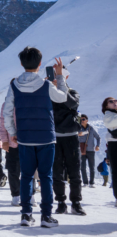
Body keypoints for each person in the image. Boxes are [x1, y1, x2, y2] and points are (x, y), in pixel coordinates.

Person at [3, 47, 68, 228]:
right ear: (40, 64)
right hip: (46, 137)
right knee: (45, 176)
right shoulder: (47, 85)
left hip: (24, 138)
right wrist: (60, 78)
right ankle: (46, 216)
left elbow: (8, 112)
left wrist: (13, 132)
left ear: (22, 64)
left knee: (26, 176)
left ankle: (26, 214)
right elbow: (63, 98)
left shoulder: (14, 85)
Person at [51, 75, 85, 215]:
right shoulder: (48, 93)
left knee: (75, 172)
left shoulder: (72, 92)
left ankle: (76, 203)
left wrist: (60, 86)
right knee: (57, 172)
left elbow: (73, 104)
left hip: (71, 137)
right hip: (54, 137)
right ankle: (61, 202)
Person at [0, 99, 22, 206]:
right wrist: (4, 141)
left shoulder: (27, 100)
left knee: (28, 171)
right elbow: (2, 124)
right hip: (12, 144)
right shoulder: (6, 105)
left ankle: (29, 195)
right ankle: (16, 195)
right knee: (13, 171)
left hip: (27, 143)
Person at [78, 114, 101, 187]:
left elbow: (98, 137)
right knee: (83, 167)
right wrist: (78, 135)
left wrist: (97, 146)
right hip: (82, 151)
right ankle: (85, 182)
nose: (82, 121)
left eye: (83, 119)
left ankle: (92, 182)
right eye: (81, 119)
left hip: (91, 150)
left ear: (87, 120)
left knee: (92, 167)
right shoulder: (78, 129)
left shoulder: (91, 129)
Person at [102, 96, 117, 204]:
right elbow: (111, 123)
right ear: (106, 106)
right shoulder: (108, 115)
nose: (114, 103)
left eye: (116, 101)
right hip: (114, 145)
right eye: (111, 102)